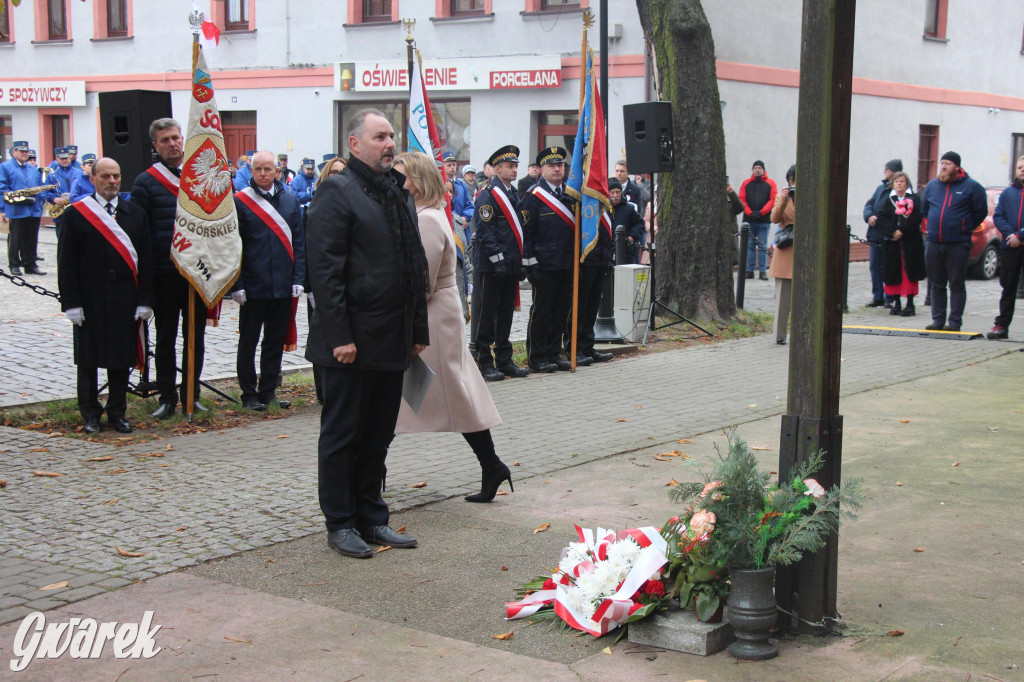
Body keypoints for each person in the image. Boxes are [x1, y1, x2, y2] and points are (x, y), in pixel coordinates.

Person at [305, 108, 430, 559]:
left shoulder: (397, 192)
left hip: (391, 339)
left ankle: (372, 516)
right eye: (380, 137)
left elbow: (413, 267)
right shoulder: (337, 193)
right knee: (343, 436)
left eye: (392, 136)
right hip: (349, 345)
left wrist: (417, 331)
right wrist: (340, 335)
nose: (390, 144)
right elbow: (325, 272)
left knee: (378, 435)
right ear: (355, 144)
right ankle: (340, 523)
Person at [393, 151, 511, 502]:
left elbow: (422, 283)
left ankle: (368, 473)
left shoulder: (427, 220)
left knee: (416, 395)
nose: (396, 185)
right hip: (435, 315)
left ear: (419, 181)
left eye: (402, 178)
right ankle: (492, 466)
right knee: (422, 396)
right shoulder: (425, 215)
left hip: (432, 318)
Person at [58, 157, 153, 434]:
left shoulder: (135, 214)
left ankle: (117, 412)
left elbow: (145, 260)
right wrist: (71, 303)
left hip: (125, 294)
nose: (112, 182)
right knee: (88, 359)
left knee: (121, 358)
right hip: (90, 296)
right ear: (93, 179)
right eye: (106, 177)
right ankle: (89, 414)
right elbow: (66, 262)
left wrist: (145, 300)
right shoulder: (76, 214)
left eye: (117, 176)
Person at [130, 118, 207, 419]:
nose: (172, 144)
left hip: (197, 272)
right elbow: (139, 232)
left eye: (176, 138)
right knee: (165, 339)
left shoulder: (199, 177)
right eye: (165, 140)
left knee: (195, 337)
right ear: (155, 146)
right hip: (164, 273)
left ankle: (192, 393)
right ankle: (167, 397)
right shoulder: (145, 182)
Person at [231, 151, 306, 411]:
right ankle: (249, 393)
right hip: (252, 285)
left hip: (282, 285)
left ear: (278, 171)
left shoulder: (289, 200)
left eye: (268, 169)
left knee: (274, 340)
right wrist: (236, 285)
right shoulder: (240, 202)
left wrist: (298, 278)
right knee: (248, 341)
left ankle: (269, 391)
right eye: (257, 169)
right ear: (251, 171)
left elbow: (298, 241)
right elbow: (234, 247)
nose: (263, 174)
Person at [473, 144, 529, 381]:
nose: (514, 170)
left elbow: (519, 230)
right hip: (491, 266)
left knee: (506, 314)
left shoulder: (513, 194)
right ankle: (483, 361)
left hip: (510, 265)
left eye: (516, 166)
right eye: (509, 166)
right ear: (496, 169)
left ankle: (504, 361)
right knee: (487, 314)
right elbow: (487, 232)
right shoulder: (488, 195)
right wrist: (499, 261)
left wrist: (519, 262)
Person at [522, 147, 576, 373]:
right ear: (541, 170)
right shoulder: (533, 197)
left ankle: (554, 353)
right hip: (544, 264)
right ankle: (537, 356)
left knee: (561, 311)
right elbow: (527, 233)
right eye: (552, 165)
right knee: (542, 312)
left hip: (566, 263)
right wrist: (530, 263)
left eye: (560, 165)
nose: (557, 168)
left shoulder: (571, 195)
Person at [920, 151, 987, 332]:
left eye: (947, 163)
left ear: (957, 167)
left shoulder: (972, 187)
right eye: (942, 163)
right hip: (934, 242)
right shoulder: (932, 186)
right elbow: (924, 210)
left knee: (956, 283)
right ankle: (938, 320)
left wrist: (963, 226)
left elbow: (980, 212)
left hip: (958, 244)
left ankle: (955, 322)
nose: (943, 166)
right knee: (936, 284)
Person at [0, 140, 58, 276]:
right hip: (16, 209)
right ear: (14, 152)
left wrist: (42, 198)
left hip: (34, 208)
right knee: (16, 239)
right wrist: (2, 209)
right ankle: (14, 265)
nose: (25, 154)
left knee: (31, 238)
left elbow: (40, 186)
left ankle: (30, 264)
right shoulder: (6, 167)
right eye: (21, 151)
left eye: (26, 151)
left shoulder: (33, 169)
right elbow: (2, 188)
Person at [875, 171, 925, 317]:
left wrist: (902, 231)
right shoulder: (888, 200)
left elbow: (916, 217)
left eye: (902, 181)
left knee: (908, 273)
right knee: (893, 272)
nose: (899, 184)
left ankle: (910, 304)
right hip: (893, 244)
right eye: (897, 182)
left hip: (910, 242)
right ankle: (896, 303)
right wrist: (892, 232)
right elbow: (882, 218)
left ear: (907, 183)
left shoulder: (914, 199)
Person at [988, 155, 1024, 339]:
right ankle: (1001, 326)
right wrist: (1011, 235)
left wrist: (1020, 235)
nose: (1022, 170)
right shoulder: (1008, 193)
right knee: (1008, 287)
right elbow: (998, 216)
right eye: (1019, 167)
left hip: (1018, 240)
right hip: (1010, 246)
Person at [863, 159, 902, 307]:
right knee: (874, 266)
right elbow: (870, 204)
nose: (884, 171)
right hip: (875, 234)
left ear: (893, 171)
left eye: (886, 169)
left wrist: (880, 219)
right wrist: (869, 216)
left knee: (888, 266)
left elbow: (892, 210)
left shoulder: (897, 190)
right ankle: (877, 296)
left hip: (888, 234)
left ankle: (889, 296)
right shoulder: (880, 188)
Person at [768, 165, 796, 344]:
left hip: (805, 250)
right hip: (787, 248)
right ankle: (779, 335)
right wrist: (784, 200)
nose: (793, 183)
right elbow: (775, 218)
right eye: (791, 180)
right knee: (782, 298)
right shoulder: (781, 197)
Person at [739, 160, 777, 280]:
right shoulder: (746, 183)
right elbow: (742, 199)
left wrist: (761, 212)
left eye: (759, 168)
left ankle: (762, 271)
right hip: (749, 220)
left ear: (763, 170)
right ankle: (749, 270)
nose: (757, 170)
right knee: (750, 246)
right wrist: (750, 212)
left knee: (762, 245)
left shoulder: (771, 183)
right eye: (755, 168)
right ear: (752, 170)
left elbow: (772, 200)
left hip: (763, 220)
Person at [609, 177, 645, 265]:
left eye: (618, 192)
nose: (615, 196)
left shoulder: (628, 209)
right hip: (608, 253)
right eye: (612, 192)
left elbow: (640, 223)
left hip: (625, 253)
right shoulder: (603, 209)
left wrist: (632, 236)